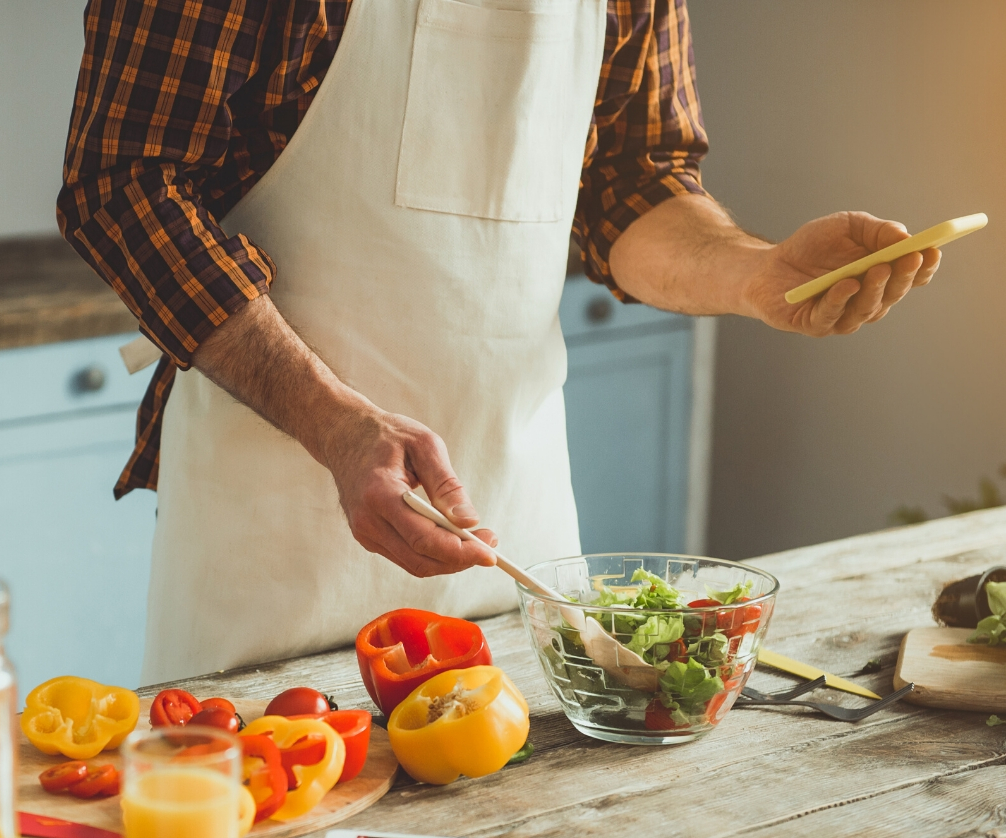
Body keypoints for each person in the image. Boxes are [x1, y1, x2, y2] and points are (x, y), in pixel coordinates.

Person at [57, 0, 942, 684]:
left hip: (517, 548)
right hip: (270, 543)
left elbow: (632, 185)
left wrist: (759, 274)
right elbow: (121, 182)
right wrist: (332, 422)